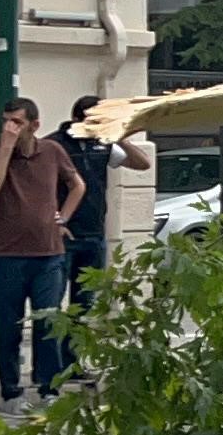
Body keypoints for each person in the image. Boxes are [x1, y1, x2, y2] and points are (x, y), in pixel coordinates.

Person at [0, 96, 87, 405]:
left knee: (48, 322)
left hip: (48, 253)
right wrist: (5, 148)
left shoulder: (52, 151)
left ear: (34, 125)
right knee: (9, 326)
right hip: (8, 254)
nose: (10, 128)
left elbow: (77, 185)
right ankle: (11, 390)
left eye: (17, 122)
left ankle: (49, 387)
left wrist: (62, 217)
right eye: (6, 121)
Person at [48, 95, 152, 314]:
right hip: (63, 232)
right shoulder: (55, 144)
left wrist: (118, 136)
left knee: (85, 302)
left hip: (93, 231)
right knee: (53, 300)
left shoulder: (103, 145)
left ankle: (73, 348)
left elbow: (142, 163)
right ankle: (54, 347)